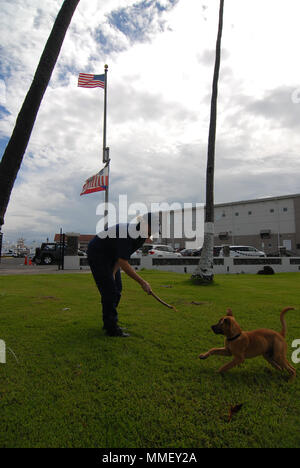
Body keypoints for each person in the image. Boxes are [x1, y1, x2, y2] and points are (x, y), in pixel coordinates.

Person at [87, 213, 154, 337]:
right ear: (144, 224)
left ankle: (109, 322)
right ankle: (111, 328)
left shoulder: (141, 237)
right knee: (110, 291)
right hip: (97, 253)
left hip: (111, 256)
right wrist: (142, 282)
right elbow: (123, 262)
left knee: (117, 289)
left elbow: (121, 258)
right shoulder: (127, 233)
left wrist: (112, 273)